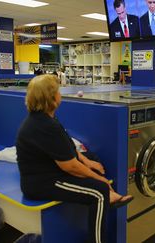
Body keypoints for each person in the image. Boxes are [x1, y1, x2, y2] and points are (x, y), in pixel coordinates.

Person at [16, 74, 133, 243]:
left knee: (91, 157)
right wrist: (101, 180)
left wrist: (88, 161)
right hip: (42, 183)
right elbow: (70, 166)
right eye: (58, 91)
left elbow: (67, 147)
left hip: (50, 170)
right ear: (51, 97)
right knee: (99, 192)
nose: (60, 94)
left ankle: (109, 194)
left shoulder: (45, 119)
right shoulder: (46, 126)